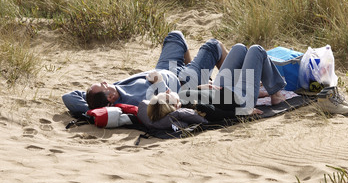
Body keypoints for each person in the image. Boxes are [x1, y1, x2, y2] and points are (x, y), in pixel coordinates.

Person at [62, 31, 228, 117]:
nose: (105, 81)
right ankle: (236, 87)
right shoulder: (135, 102)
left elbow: (68, 97)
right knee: (214, 46)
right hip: (182, 83)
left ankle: (201, 75)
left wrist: (92, 108)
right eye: (104, 85)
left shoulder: (108, 95)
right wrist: (160, 82)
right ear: (110, 97)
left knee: (175, 36)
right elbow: (166, 102)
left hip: (165, 67)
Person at [144, 42, 287, 125]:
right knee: (257, 50)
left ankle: (262, 86)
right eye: (166, 95)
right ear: (175, 106)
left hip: (221, 88)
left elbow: (195, 94)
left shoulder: (181, 96)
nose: (167, 91)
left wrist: (201, 88)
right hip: (240, 99)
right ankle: (276, 93)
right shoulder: (195, 107)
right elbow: (218, 113)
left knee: (239, 48)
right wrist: (243, 112)